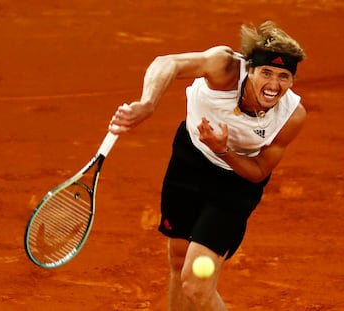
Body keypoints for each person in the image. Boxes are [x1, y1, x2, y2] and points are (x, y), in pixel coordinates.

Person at [109, 20, 306, 311]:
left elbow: (259, 171)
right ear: (249, 69)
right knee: (178, 259)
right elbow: (168, 63)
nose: (274, 85)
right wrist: (148, 103)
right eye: (266, 72)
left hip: (235, 184)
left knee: (196, 283)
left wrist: (224, 150)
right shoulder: (223, 67)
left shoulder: (293, 116)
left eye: (283, 76)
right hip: (189, 162)